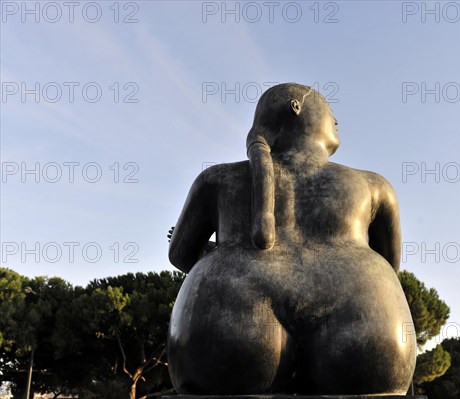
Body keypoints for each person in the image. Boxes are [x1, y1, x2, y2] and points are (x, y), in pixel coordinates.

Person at [167, 83, 416, 394]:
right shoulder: (373, 185)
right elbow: (391, 267)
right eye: (332, 113)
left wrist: (217, 252)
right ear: (296, 107)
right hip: (362, 312)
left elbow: (180, 255)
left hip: (234, 311)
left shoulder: (216, 179)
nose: (337, 122)